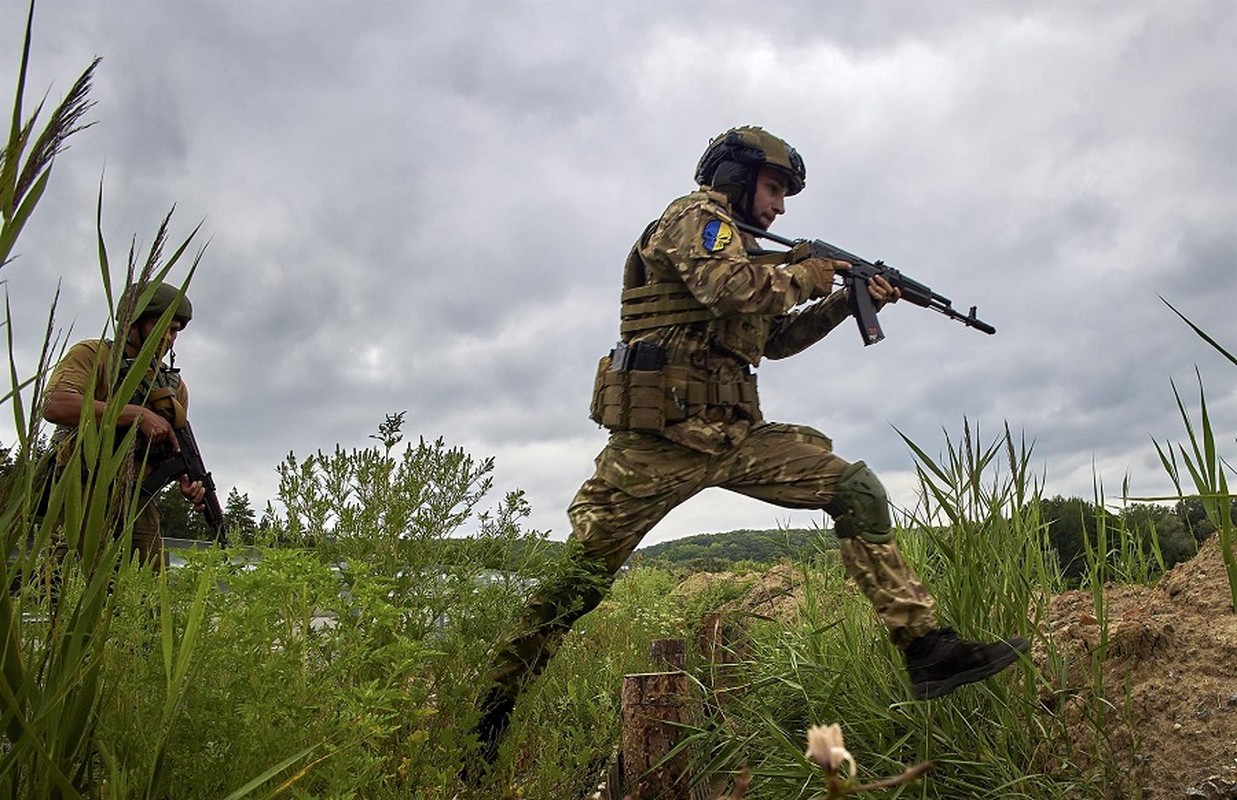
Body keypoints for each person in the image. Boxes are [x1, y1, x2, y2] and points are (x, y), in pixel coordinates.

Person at [469, 125, 1027, 768]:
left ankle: (927, 648)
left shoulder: (750, 251)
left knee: (856, 488)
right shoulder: (693, 220)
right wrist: (813, 273)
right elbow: (729, 289)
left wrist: (848, 302)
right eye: (773, 188)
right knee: (579, 586)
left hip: (734, 438)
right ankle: (488, 715)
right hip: (655, 447)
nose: (781, 206)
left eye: (786, 194)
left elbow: (775, 340)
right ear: (734, 177)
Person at [43, 281, 206, 569]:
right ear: (133, 322)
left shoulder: (172, 386)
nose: (168, 338)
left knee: (144, 592)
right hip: (82, 490)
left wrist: (183, 476)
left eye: (175, 331)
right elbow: (56, 405)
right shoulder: (94, 355)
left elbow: (173, 444)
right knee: (65, 582)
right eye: (161, 327)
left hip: (137, 498)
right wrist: (135, 415)